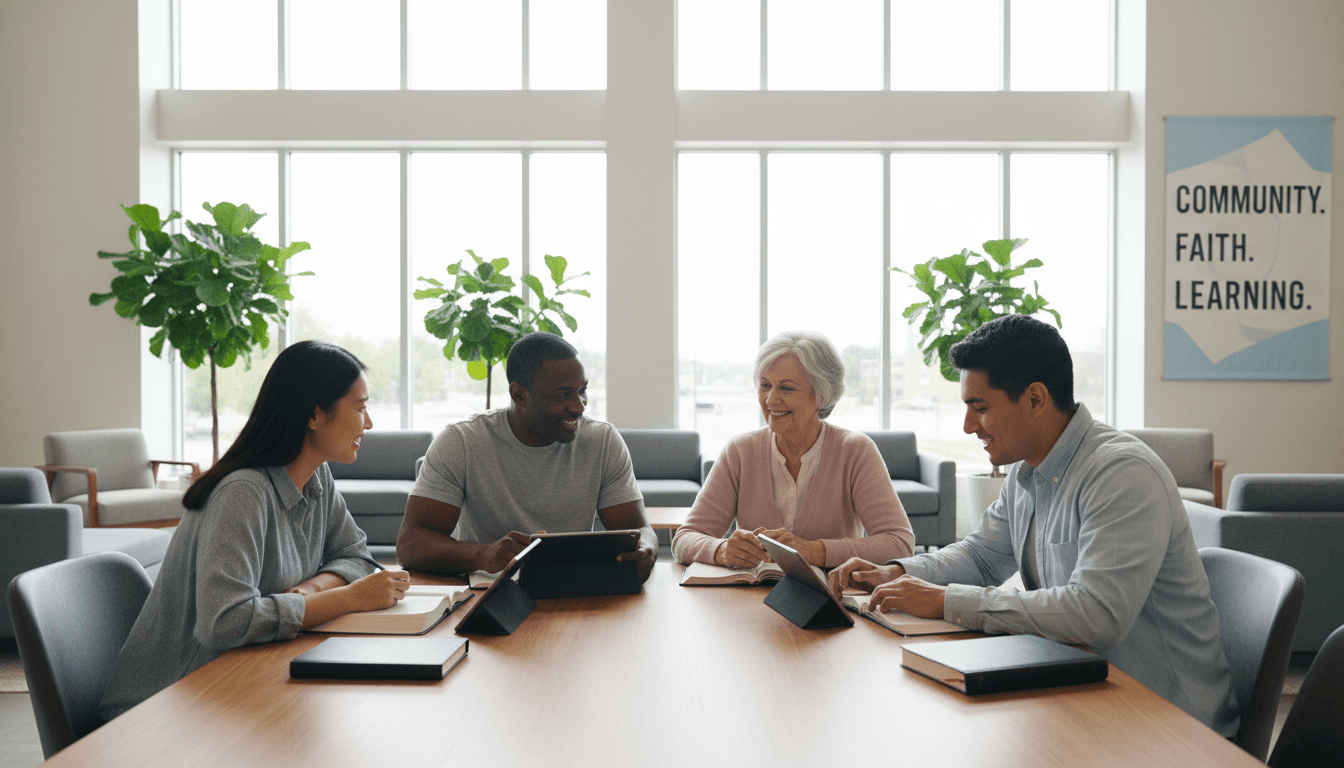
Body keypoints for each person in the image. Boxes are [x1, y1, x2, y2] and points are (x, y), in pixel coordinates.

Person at [828, 315, 1239, 735]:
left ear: (1036, 399)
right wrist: (898, 571)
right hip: (1086, 694)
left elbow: (1097, 615)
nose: (969, 426)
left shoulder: (1120, 473)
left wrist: (945, 600)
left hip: (1170, 726)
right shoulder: (1029, 471)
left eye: (980, 408)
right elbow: (981, 556)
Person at [100, 340, 410, 721]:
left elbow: (355, 554)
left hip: (227, 683)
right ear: (314, 415)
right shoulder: (243, 492)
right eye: (361, 408)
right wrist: (346, 599)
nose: (370, 423)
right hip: (163, 706)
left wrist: (313, 589)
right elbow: (224, 623)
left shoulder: (317, 478)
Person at [397, 332, 657, 581]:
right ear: (519, 395)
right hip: (486, 592)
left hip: (575, 590)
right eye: (563, 394)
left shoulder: (603, 441)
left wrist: (646, 547)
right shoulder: (461, 442)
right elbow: (410, 545)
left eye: (582, 391)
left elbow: (639, 530)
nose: (579, 406)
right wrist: (482, 554)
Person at [673, 331, 915, 569]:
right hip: (748, 599)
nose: (770, 400)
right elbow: (684, 539)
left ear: (821, 395)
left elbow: (900, 544)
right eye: (765, 385)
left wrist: (815, 551)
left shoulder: (855, 451)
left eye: (786, 388)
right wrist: (721, 550)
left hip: (830, 600)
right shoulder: (739, 451)